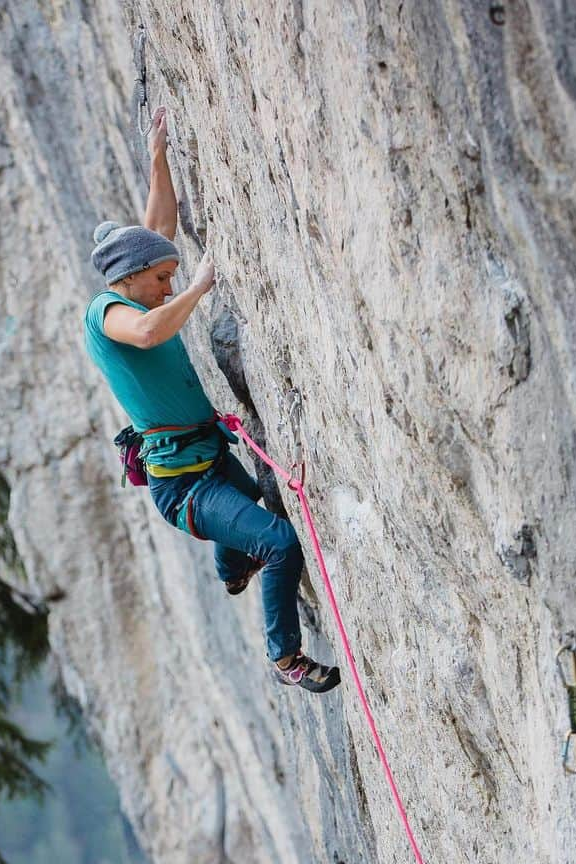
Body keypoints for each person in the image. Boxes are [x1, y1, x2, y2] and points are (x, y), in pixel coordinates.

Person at [83, 107, 340, 695]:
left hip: (207, 454)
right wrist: (199, 286)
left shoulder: (137, 292)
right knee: (277, 541)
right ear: (129, 277)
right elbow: (149, 333)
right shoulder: (108, 316)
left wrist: (157, 158)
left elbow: (158, 231)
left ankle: (231, 570)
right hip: (184, 483)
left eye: (173, 279)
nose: (169, 286)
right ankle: (286, 658)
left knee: (249, 521)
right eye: (161, 280)